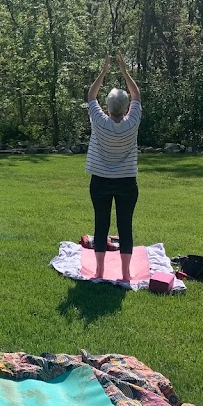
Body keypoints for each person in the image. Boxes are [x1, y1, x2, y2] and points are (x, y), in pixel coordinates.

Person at [85, 52, 142, 282]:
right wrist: (125, 71)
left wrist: (104, 71)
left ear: (107, 107)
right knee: (125, 226)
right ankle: (125, 274)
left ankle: (99, 272)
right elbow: (137, 95)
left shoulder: (99, 122)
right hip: (127, 182)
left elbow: (91, 96)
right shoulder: (133, 121)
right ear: (126, 108)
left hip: (100, 181)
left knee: (101, 224)